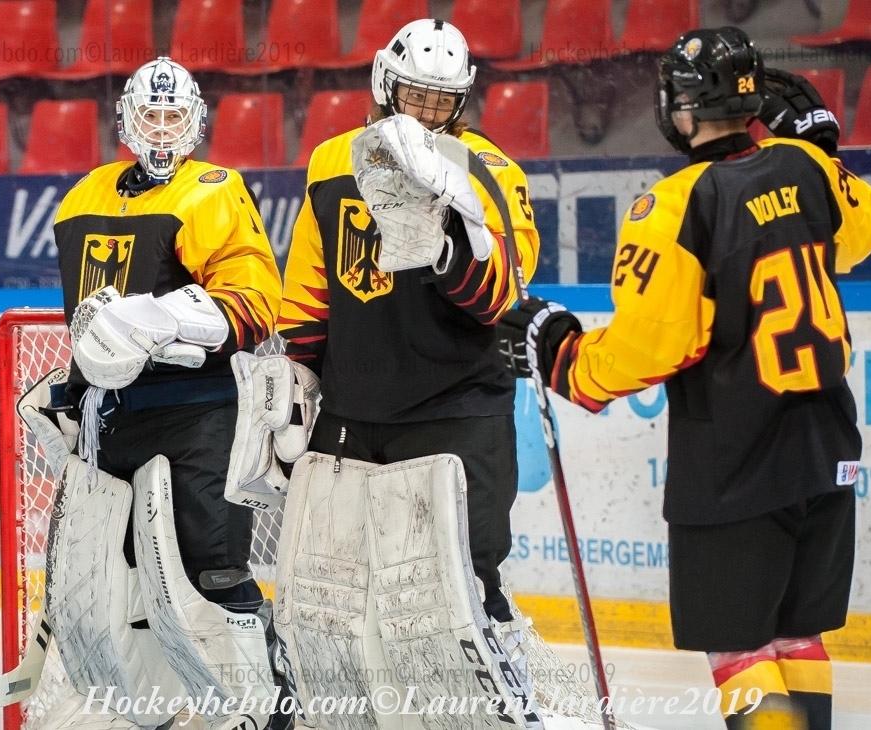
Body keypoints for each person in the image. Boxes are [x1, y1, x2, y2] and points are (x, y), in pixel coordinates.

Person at [499, 27, 871, 730]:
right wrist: (824, 152)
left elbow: (648, 350)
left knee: (740, 648)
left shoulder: (676, 206)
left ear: (679, 109)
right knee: (797, 635)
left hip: (737, 461)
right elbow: (868, 226)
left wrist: (559, 350)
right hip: (827, 451)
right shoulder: (805, 166)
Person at [260, 17, 620, 728]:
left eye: (440, 99)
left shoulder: (489, 169)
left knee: (467, 584)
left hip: (458, 413)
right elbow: (309, 287)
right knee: (330, 588)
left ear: (461, 100)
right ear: (384, 83)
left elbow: (503, 295)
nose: (426, 111)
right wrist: (297, 376)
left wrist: (448, 245)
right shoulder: (331, 162)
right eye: (414, 95)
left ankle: (506, 714)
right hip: (353, 414)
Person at [29, 56, 291, 728]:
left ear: (196, 121)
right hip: (112, 419)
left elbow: (256, 302)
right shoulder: (82, 197)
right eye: (152, 114)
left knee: (211, 570)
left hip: (199, 416)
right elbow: (87, 320)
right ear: (127, 120)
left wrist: (167, 321)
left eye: (175, 115)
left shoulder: (212, 190)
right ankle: (151, 710)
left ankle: (266, 708)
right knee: (113, 581)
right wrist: (75, 390)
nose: (164, 128)